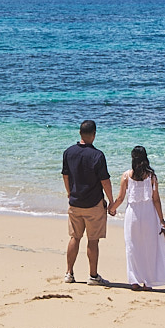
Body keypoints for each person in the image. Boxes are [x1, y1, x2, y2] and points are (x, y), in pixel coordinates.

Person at [108, 145, 165, 290]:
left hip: (133, 215)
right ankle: (147, 282)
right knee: (149, 248)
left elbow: (120, 198)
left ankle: (134, 281)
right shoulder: (152, 177)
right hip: (149, 215)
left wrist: (112, 208)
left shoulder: (126, 176)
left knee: (132, 247)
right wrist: (162, 220)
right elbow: (156, 200)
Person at [61, 119, 113, 284]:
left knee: (74, 237)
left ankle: (69, 273)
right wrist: (111, 200)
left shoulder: (68, 152)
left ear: (80, 133)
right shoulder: (98, 155)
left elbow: (65, 175)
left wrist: (69, 193)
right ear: (94, 135)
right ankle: (93, 276)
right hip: (93, 203)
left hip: (75, 202)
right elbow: (105, 181)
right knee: (93, 240)